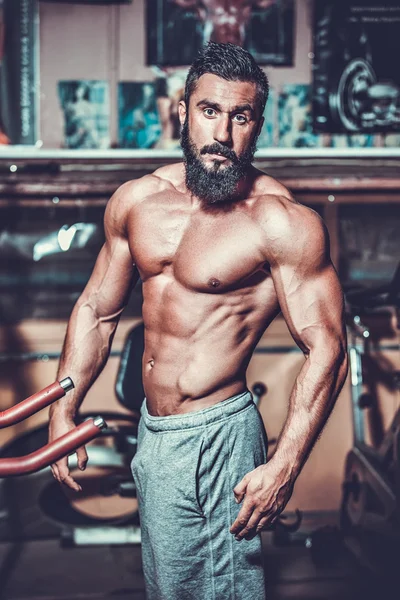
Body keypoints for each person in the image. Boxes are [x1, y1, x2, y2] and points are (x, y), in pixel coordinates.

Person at [48, 42, 348, 600]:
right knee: (172, 589)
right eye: (210, 111)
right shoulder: (138, 201)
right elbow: (96, 310)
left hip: (218, 435)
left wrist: (286, 464)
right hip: (154, 431)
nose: (223, 133)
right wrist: (64, 410)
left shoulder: (279, 222)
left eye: (241, 116)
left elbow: (328, 346)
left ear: (258, 124)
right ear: (183, 112)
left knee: (219, 590)